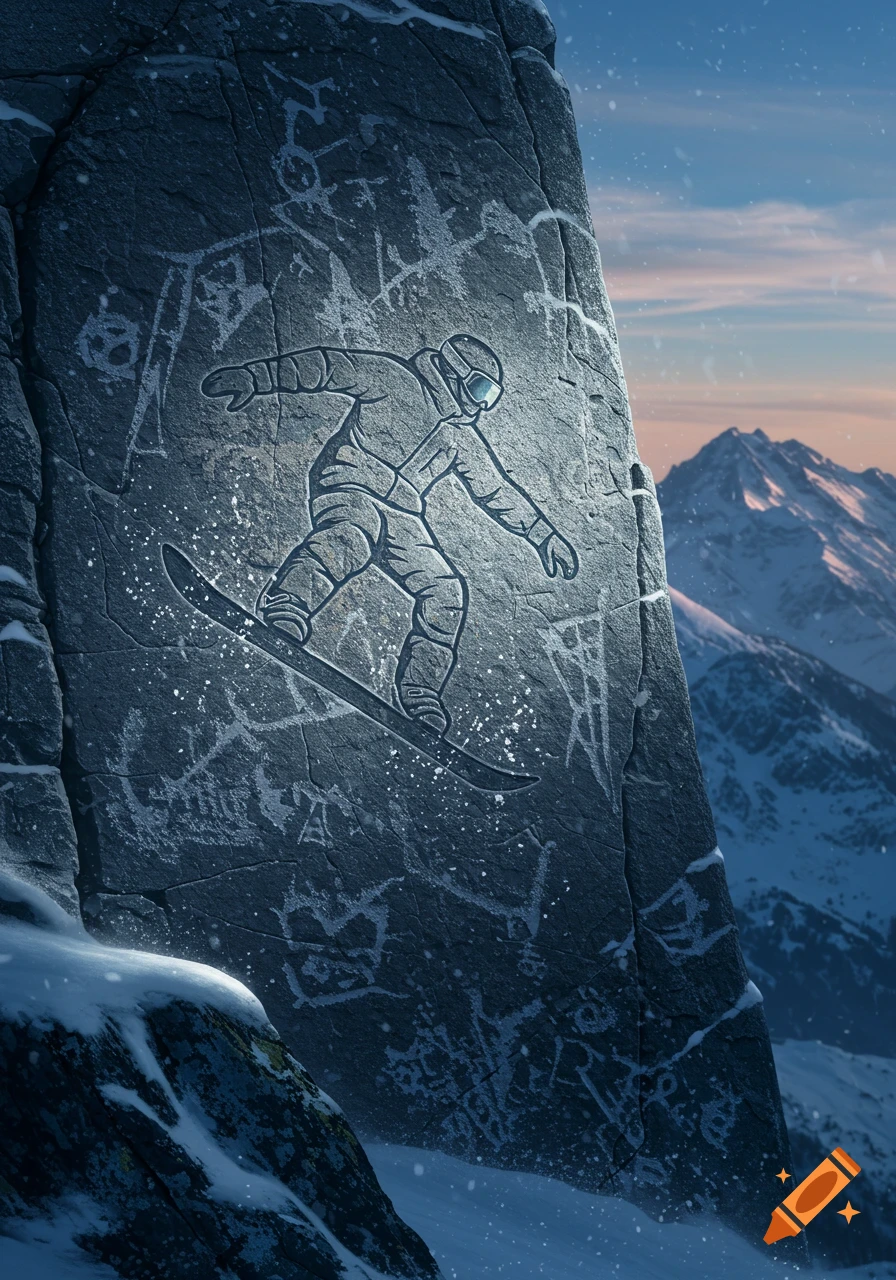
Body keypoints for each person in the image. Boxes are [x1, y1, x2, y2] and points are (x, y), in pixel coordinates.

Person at [201, 334, 578, 735]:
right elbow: (326, 367)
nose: (481, 404)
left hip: (403, 514)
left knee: (446, 591)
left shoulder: (459, 438)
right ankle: (288, 603)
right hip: (351, 483)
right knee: (350, 538)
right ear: (453, 370)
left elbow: (496, 489)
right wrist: (255, 377)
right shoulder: (393, 378)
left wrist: (542, 534)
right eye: (480, 389)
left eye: (490, 396)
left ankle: (421, 691)